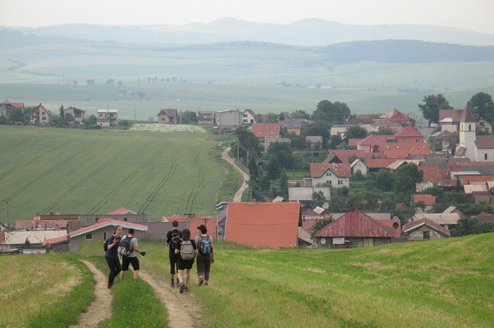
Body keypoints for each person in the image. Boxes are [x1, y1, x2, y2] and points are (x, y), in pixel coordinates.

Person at [175, 228, 196, 294]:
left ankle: (181, 282)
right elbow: (195, 251)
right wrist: (193, 259)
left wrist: (178, 251)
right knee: (187, 272)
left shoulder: (179, 241)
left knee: (179, 272)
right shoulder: (192, 242)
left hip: (181, 259)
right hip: (190, 259)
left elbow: (175, 252)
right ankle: (186, 286)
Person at [165, 220, 182, 287]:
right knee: (178, 267)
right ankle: (178, 281)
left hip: (172, 252)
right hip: (178, 252)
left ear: (172, 225)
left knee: (172, 266)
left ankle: (172, 282)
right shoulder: (180, 233)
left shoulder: (169, 233)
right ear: (178, 225)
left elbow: (167, 243)